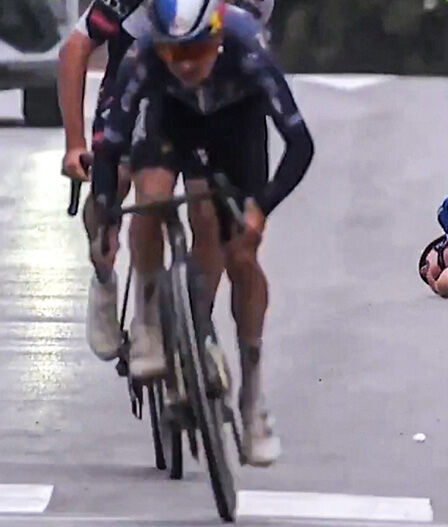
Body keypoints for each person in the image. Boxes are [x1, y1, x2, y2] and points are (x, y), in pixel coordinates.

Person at [91, 0, 314, 465]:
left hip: (236, 127)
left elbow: (300, 144)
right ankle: (149, 319)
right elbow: (111, 148)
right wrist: (108, 214)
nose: (186, 65)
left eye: (196, 50)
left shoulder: (247, 46)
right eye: (174, 53)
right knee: (151, 198)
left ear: (216, 38)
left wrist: (261, 208)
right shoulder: (145, 55)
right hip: (172, 122)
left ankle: (252, 395)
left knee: (241, 255)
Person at [58, 0, 275, 366]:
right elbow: (76, 47)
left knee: (208, 211)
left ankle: (197, 325)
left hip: (201, 83)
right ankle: (109, 282)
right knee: (119, 180)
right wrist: (74, 144)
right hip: (135, 79)